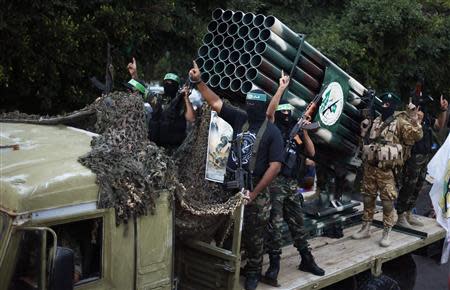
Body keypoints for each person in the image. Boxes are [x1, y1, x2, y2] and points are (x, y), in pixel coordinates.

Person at [188, 60, 284, 290]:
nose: (249, 106)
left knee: (254, 235)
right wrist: (198, 81)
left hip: (255, 192)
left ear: (261, 107)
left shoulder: (272, 132)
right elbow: (215, 102)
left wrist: (255, 192)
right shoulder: (241, 118)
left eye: (254, 104)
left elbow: (275, 166)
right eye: (247, 103)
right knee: (228, 229)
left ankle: (253, 272)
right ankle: (230, 264)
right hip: (232, 186)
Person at [262, 72, 324, 287]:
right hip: (275, 185)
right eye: (283, 112)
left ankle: (307, 259)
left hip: (291, 185)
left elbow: (312, 153)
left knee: (298, 224)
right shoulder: (273, 129)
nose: (286, 114)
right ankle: (274, 265)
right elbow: (270, 112)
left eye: (289, 112)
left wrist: (305, 131)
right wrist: (281, 88)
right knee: (275, 226)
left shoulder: (295, 132)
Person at [352, 93, 423, 247]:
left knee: (387, 202)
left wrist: (415, 120)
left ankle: (386, 231)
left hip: (387, 170)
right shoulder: (375, 120)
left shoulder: (400, 123)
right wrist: (363, 131)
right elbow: (366, 141)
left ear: (393, 106)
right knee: (368, 198)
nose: (384, 106)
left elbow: (417, 136)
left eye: (387, 104)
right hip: (370, 167)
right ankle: (366, 227)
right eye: (383, 103)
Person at [396, 93, 448, 228]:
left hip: (424, 156)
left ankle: (409, 212)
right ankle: (400, 215)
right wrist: (415, 119)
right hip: (412, 156)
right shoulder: (406, 116)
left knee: (418, 185)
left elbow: (439, 126)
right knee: (408, 185)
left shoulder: (425, 116)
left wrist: (443, 110)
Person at [127, 57, 195, 148]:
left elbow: (191, 118)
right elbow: (142, 89)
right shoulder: (157, 99)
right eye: (166, 82)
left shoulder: (181, 102)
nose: (168, 85)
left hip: (174, 149)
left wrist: (186, 97)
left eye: (171, 83)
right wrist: (134, 75)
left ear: (177, 86)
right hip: (155, 148)